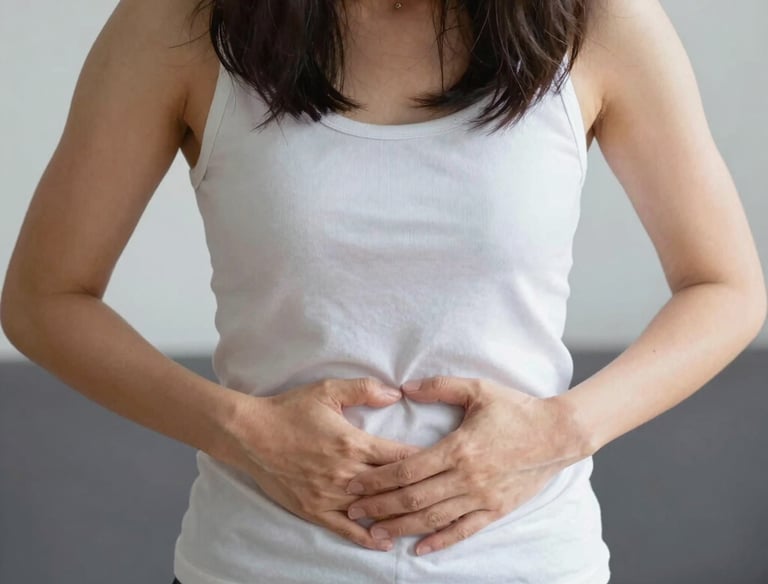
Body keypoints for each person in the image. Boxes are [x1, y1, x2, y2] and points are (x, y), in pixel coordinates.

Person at [1, 0, 765, 582]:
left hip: (530, 563)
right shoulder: (179, 22)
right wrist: (239, 427)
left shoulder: (600, 21)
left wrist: (560, 432)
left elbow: (725, 285)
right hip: (258, 565)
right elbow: (44, 296)